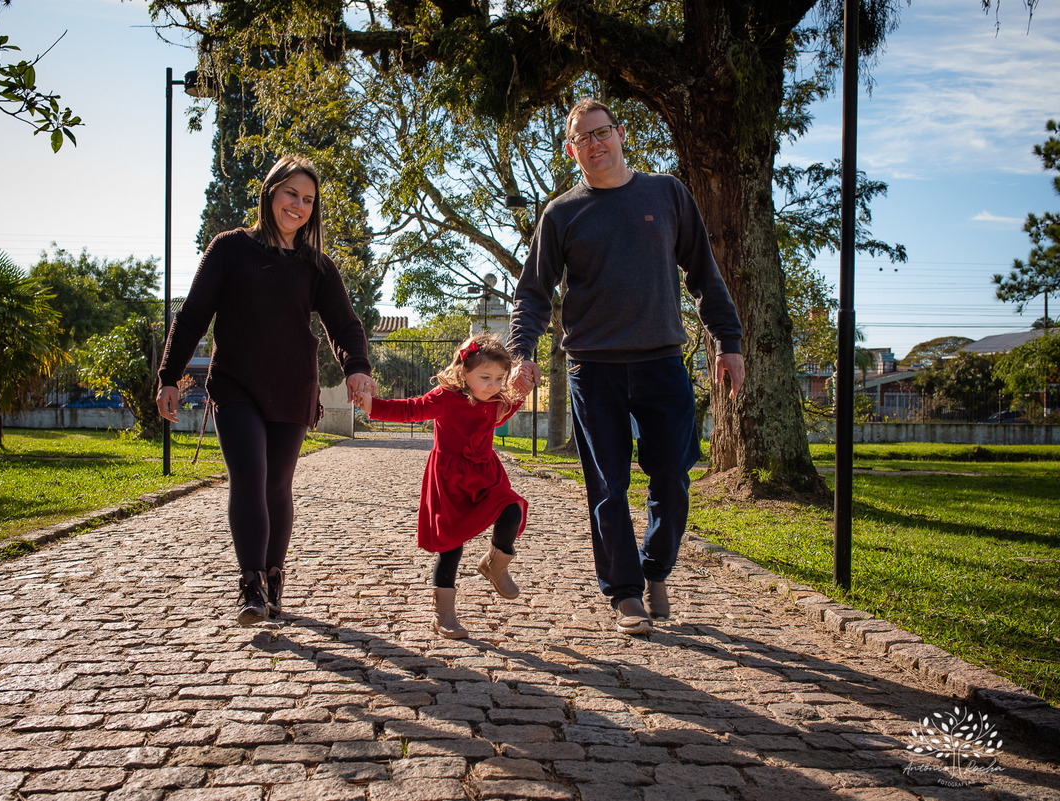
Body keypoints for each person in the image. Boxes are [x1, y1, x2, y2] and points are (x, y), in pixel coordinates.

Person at [508, 98, 745, 636]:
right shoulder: (562, 213)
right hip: (594, 370)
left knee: (673, 477)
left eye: (603, 132)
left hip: (662, 362)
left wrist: (727, 339)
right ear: (571, 151)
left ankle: (654, 567)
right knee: (608, 487)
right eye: (583, 138)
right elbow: (533, 294)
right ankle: (625, 593)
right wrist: (523, 353)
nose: (595, 143)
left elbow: (703, 273)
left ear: (620, 134)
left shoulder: (667, 194)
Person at [156, 154, 377, 627]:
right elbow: (193, 316)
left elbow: (345, 325)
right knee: (250, 476)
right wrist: (169, 376)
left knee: (277, 483)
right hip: (235, 383)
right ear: (270, 193)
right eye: (290, 194)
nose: (298, 205)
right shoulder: (229, 248)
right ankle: (251, 584)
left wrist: (357, 369)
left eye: (308, 200)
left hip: (293, 387)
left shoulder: (316, 265)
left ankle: (274, 578)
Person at [354, 334, 527, 639]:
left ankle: (496, 564)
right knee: (451, 547)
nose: (493, 385)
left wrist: (520, 392)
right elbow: (410, 409)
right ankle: (443, 614)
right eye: (485, 377)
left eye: (499, 378)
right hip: (450, 481)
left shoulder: (495, 399)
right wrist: (372, 405)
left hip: (485, 474)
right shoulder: (445, 397)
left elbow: (499, 416)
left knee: (512, 509)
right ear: (464, 372)